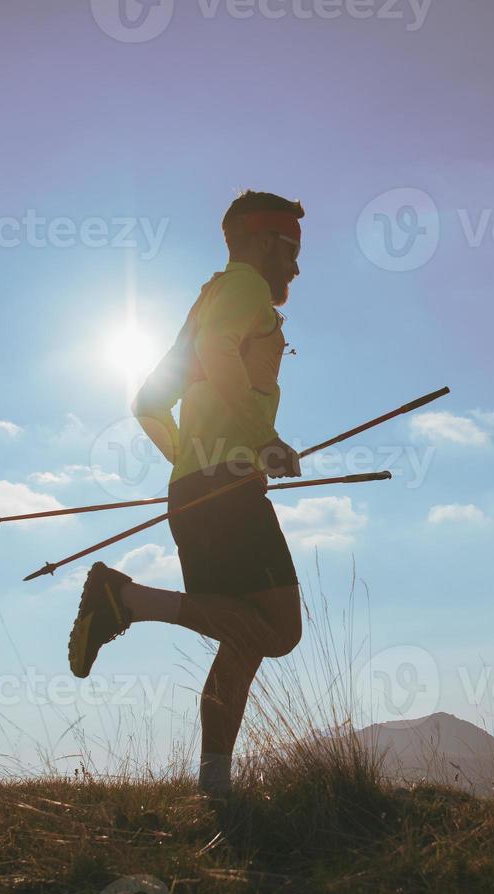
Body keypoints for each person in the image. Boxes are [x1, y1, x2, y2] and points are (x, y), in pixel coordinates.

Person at [66, 190, 306, 805]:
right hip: (225, 487)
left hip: (203, 487)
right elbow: (215, 353)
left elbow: (148, 402)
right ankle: (124, 597)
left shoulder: (206, 301)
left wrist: (191, 464)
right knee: (277, 632)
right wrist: (261, 442)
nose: (296, 267)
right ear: (259, 242)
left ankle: (215, 791)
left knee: (244, 640)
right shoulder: (246, 288)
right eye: (291, 249)